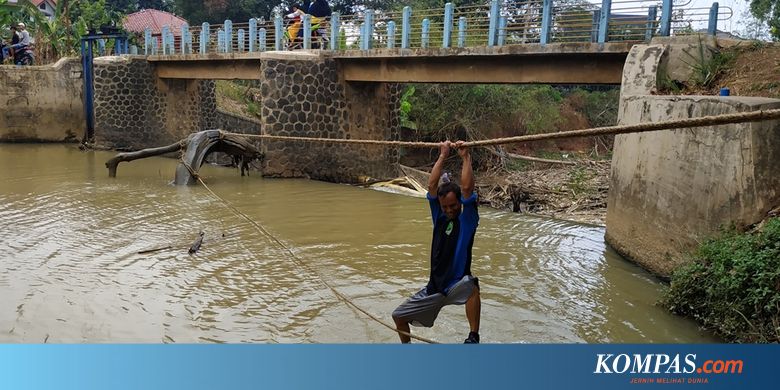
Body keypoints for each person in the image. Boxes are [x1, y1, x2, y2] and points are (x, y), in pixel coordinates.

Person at [392, 140, 481, 344]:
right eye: (445, 207)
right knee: (398, 317)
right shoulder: (439, 217)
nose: (449, 210)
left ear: (459, 203)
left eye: (453, 205)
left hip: (457, 284)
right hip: (435, 288)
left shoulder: (467, 220)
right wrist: (442, 154)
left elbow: (467, 188)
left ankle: (473, 336)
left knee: (472, 285)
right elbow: (432, 186)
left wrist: (465, 157)